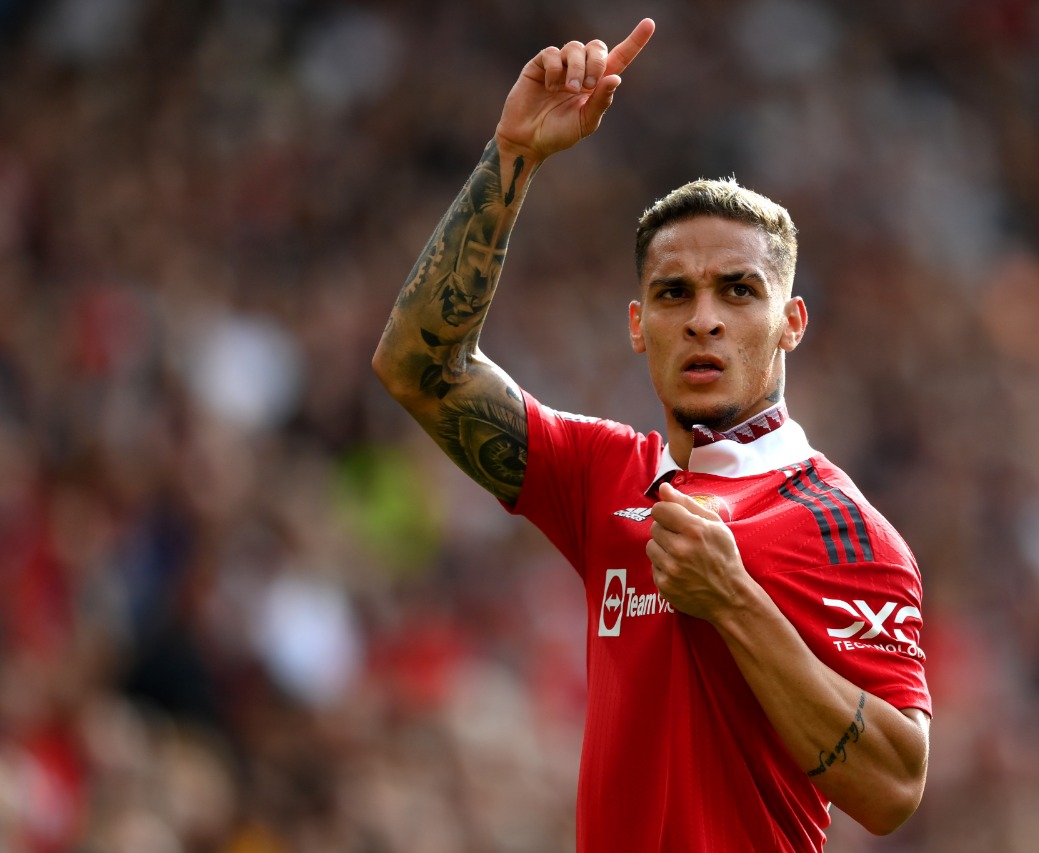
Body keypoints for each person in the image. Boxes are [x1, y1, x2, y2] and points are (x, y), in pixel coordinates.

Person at [372, 17, 931, 850]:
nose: (703, 319)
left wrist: (733, 597)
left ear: (791, 322)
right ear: (638, 325)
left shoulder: (842, 528)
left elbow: (894, 787)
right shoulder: (604, 474)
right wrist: (515, 154)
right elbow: (419, 366)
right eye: (674, 294)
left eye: (738, 290)